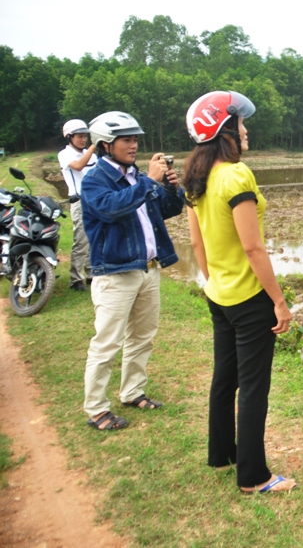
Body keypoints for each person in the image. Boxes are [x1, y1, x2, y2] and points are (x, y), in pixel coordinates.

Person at [182, 91, 294, 494]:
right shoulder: (235, 175)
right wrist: (278, 301)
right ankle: (253, 477)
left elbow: (197, 244)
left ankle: (221, 455)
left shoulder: (197, 177)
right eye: (240, 124)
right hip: (249, 300)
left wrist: (215, 280)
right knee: (253, 388)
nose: (245, 131)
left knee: (224, 378)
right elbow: (253, 247)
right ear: (223, 129)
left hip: (218, 295)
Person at [80, 111, 185, 431]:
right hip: (115, 273)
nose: (133, 145)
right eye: (126, 140)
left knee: (142, 337)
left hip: (148, 270)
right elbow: (112, 209)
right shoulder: (94, 181)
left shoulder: (137, 177)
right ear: (104, 145)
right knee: (107, 343)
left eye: (135, 139)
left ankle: (132, 391)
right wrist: (150, 182)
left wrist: (169, 189)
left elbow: (168, 211)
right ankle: (97, 409)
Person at [58, 119, 98, 290]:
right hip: (79, 201)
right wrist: (94, 146)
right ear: (69, 137)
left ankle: (91, 275)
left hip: (94, 200)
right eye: (80, 137)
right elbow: (79, 165)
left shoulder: (92, 155)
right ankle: (75, 279)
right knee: (81, 240)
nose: (83, 140)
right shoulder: (65, 154)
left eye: (85, 137)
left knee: (94, 239)